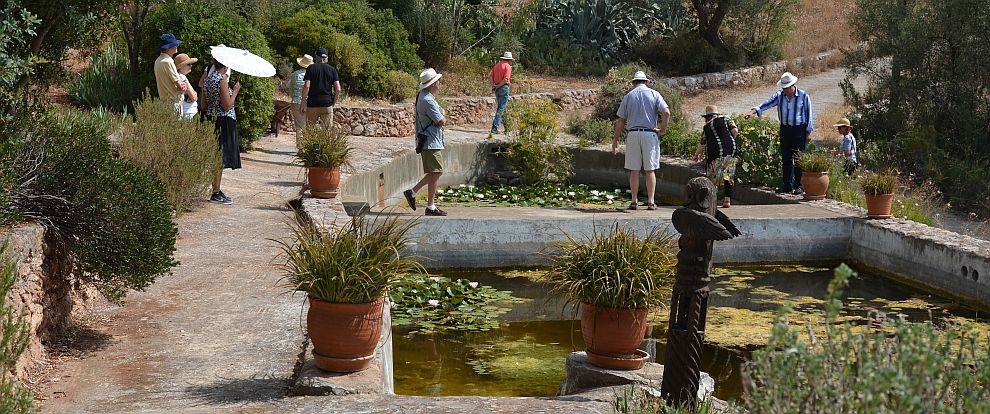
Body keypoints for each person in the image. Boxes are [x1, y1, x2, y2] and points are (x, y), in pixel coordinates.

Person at [746, 71, 814, 195]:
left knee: (798, 158)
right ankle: (787, 185)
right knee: (786, 157)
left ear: (792, 85)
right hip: (785, 129)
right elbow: (767, 103)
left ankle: (799, 186)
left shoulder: (803, 96)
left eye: (786, 87)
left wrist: (808, 132)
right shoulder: (779, 96)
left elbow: (809, 114)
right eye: (783, 87)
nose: (785, 90)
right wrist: (754, 111)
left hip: (799, 129)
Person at [611, 70, 670, 210]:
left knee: (634, 170)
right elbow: (666, 112)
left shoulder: (628, 96)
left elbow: (621, 121)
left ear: (634, 82)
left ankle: (634, 201)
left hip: (633, 134)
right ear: (646, 81)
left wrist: (615, 140)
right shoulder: (654, 94)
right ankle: (651, 201)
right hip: (650, 133)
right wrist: (662, 130)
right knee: (650, 170)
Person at [402, 68, 447, 216]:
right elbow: (441, 120)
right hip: (431, 141)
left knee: (434, 172)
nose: (439, 83)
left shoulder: (424, 96)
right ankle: (413, 192)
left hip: (430, 140)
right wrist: (442, 114)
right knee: (437, 171)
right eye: (438, 81)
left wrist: (440, 113)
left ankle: (431, 206)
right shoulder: (427, 100)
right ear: (432, 84)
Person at [203, 60, 242, 205]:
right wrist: (235, 91)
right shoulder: (222, 81)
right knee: (220, 157)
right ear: (225, 66)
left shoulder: (207, 79)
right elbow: (227, 106)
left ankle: (216, 190)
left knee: (215, 156)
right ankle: (216, 191)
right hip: (224, 121)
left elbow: (203, 105)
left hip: (211, 118)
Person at [693, 105, 738, 208]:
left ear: (707, 117)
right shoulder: (726, 118)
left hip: (715, 151)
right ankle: (727, 200)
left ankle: (712, 200)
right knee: (728, 174)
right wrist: (730, 141)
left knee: (714, 175)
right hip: (730, 148)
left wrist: (696, 154)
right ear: (717, 114)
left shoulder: (707, 127)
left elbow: (702, 143)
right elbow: (735, 131)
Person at [299, 47, 341, 127]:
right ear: (326, 58)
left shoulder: (311, 68)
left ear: (316, 57)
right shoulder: (332, 70)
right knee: (327, 132)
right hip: (327, 104)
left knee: (310, 130)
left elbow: (307, 86)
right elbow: (338, 89)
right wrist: (333, 103)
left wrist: (302, 103)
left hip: (312, 104)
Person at [153, 33, 188, 112]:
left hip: (164, 102)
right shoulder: (168, 62)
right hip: (173, 103)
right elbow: (179, 86)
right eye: (174, 45)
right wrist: (184, 85)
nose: (177, 46)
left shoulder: (158, 61)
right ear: (168, 47)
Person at [489, 51, 513, 134]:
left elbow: (490, 76)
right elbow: (506, 79)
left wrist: (494, 86)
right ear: (509, 60)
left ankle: (507, 127)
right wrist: (498, 86)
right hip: (503, 87)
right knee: (501, 108)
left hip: (497, 88)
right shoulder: (508, 66)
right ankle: (494, 127)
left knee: (502, 107)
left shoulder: (497, 65)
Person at [288, 54, 312, 137]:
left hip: (296, 101)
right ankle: (309, 144)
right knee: (310, 127)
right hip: (309, 103)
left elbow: (290, 89)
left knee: (300, 127)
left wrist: (294, 96)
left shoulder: (295, 74)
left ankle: (301, 145)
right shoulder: (313, 74)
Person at [173, 53, 199, 120]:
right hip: (189, 112)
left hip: (184, 111)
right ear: (181, 67)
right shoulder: (182, 77)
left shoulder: (177, 77)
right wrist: (193, 95)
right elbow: (194, 97)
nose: (191, 66)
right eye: (188, 64)